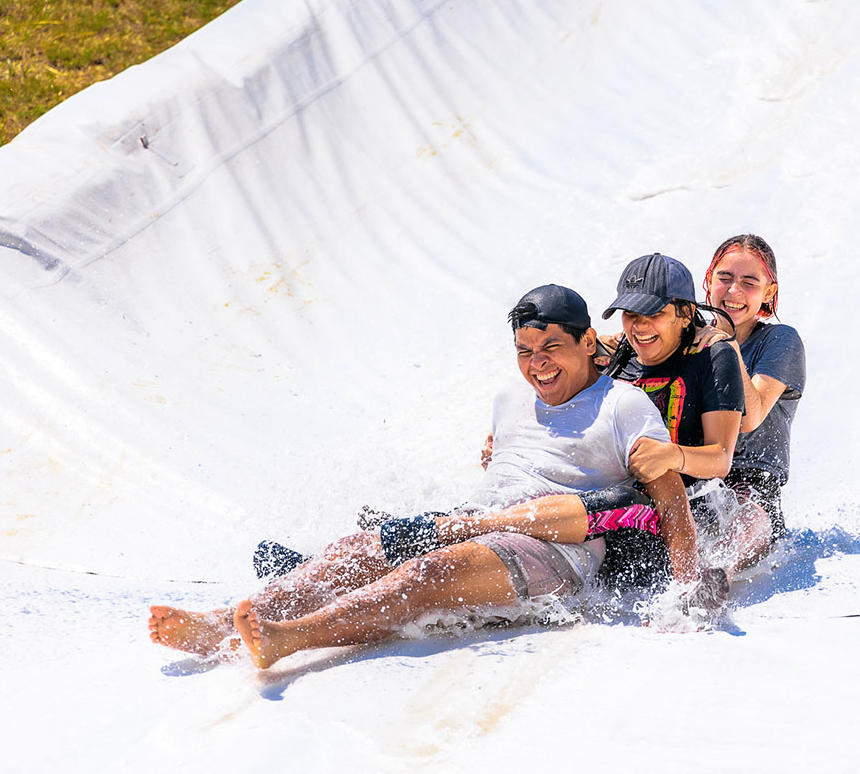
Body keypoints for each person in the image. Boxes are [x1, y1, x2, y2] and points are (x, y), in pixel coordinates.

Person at [149, 284, 711, 669]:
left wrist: (687, 590)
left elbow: (666, 496)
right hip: (471, 524)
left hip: (556, 548)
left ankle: (291, 639)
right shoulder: (509, 397)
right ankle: (224, 623)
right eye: (524, 351)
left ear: (588, 342)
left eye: (552, 348)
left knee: (430, 571)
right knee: (358, 549)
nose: (537, 363)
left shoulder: (625, 404)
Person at [599, 252, 773, 580]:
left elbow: (720, 458)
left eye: (656, 313)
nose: (640, 325)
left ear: (686, 313)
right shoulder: (619, 358)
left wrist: (669, 455)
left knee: (750, 517)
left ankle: (712, 577)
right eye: (630, 314)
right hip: (627, 508)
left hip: (694, 508)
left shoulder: (711, 355)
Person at [701, 235, 806, 542]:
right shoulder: (691, 339)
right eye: (725, 278)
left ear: (768, 292)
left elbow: (750, 416)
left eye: (749, 282)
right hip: (696, 473)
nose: (734, 291)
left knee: (747, 519)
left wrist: (727, 343)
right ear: (709, 279)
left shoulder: (780, 341)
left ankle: (718, 574)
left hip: (753, 483)